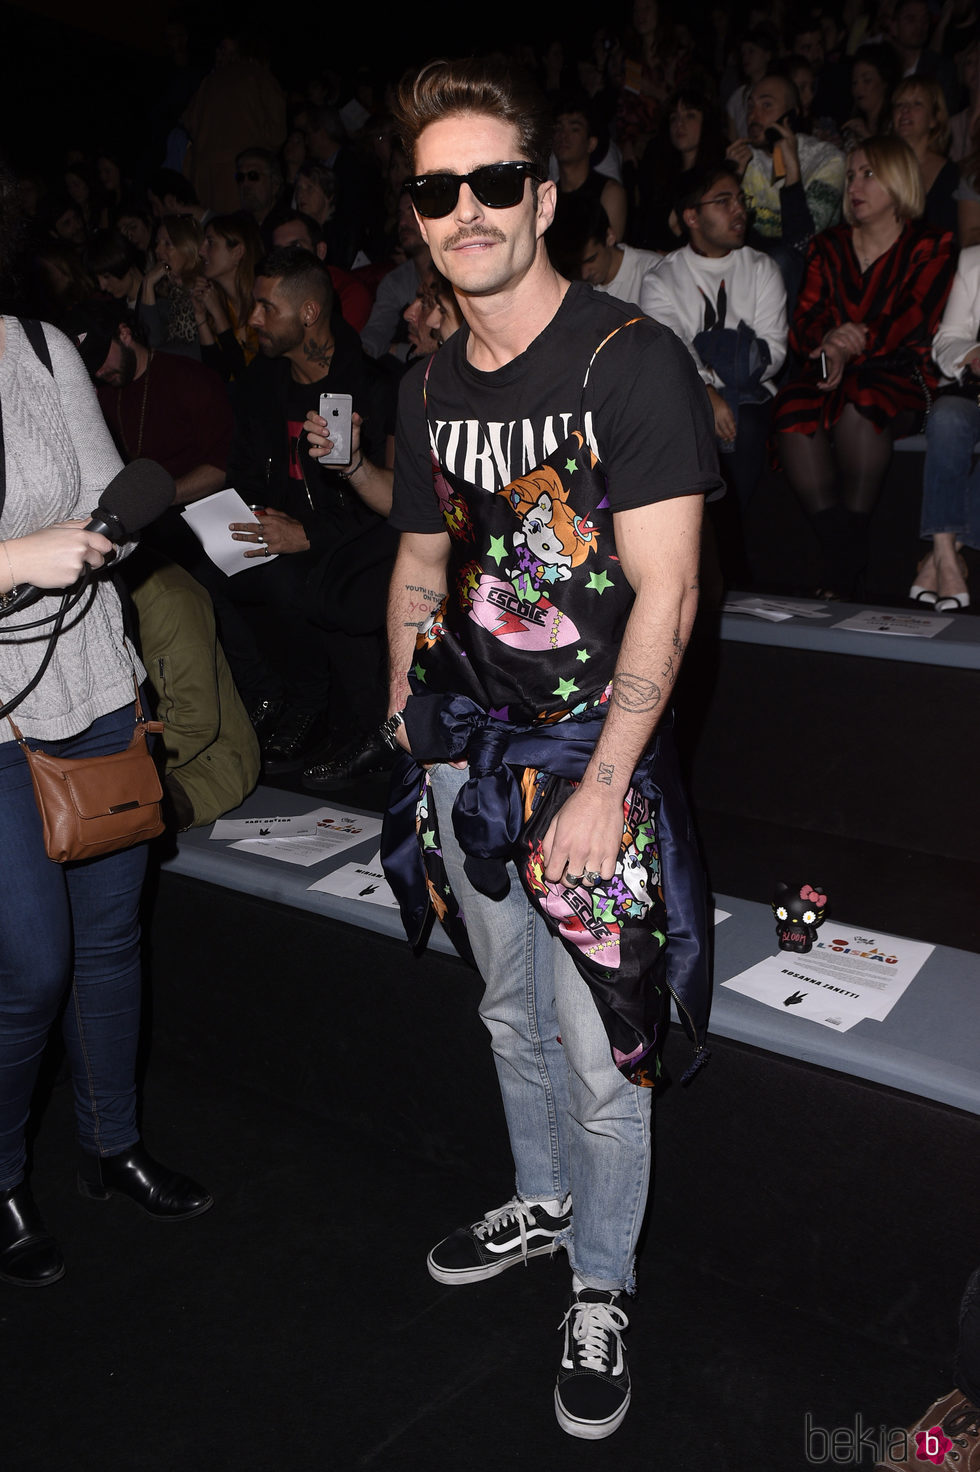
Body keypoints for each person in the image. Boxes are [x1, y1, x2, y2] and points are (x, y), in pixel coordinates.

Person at [380, 56, 719, 1441]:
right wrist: (403, 715)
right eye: (438, 188)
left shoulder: (627, 361)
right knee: (508, 1011)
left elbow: (671, 592)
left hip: (589, 761)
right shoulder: (421, 389)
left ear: (543, 191)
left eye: (493, 181)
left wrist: (603, 785)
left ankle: (601, 1278)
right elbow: (417, 559)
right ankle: (545, 1199)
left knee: (601, 1049)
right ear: (417, 214)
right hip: (467, 747)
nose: (468, 209)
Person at [0, 173, 211, 1290]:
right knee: (31, 965)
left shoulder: (36, 346)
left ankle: (110, 1144)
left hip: (86, 679)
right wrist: (11, 562)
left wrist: (102, 535)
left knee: (113, 943)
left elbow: (110, 496)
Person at [772, 135, 954, 597]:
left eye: (868, 174)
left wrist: (858, 340)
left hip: (901, 372)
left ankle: (842, 561)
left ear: (899, 180)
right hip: (831, 372)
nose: (854, 184)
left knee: (862, 403)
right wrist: (830, 340)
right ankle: (846, 550)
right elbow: (803, 324)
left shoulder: (930, 244)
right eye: (851, 174)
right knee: (793, 405)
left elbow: (913, 318)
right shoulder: (828, 246)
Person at [643, 165, 787, 516]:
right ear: (692, 216)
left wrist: (712, 360)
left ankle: (735, 534)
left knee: (747, 424)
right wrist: (707, 391)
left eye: (740, 199)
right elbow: (673, 351)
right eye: (724, 201)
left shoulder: (761, 268)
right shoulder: (662, 279)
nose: (739, 210)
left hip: (754, 398)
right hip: (689, 396)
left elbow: (774, 353)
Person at [908, 243, 980, 610]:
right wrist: (974, 356)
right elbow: (947, 341)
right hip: (972, 392)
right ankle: (947, 555)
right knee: (947, 417)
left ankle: (940, 556)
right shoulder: (973, 260)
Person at [890, 76, 959, 233]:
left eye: (917, 104)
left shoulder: (952, 176)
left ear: (933, 119)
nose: (905, 110)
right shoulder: (879, 167)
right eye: (900, 104)